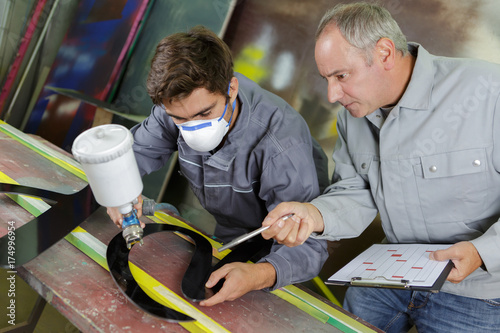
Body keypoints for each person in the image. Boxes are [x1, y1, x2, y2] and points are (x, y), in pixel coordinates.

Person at [262, 2, 500, 332]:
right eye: (327, 79)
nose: (332, 94)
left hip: (479, 292)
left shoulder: (489, 92)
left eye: (341, 76)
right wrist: (313, 215)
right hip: (390, 277)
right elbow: (356, 190)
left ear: (385, 53)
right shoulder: (354, 115)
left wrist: (482, 251)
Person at [106, 25, 330, 306]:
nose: (193, 127)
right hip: (231, 233)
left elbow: (308, 245)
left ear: (231, 89)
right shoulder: (175, 103)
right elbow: (134, 155)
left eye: (205, 113)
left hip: (284, 247)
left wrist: (260, 274)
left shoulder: (280, 142)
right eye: (180, 119)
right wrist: (119, 191)